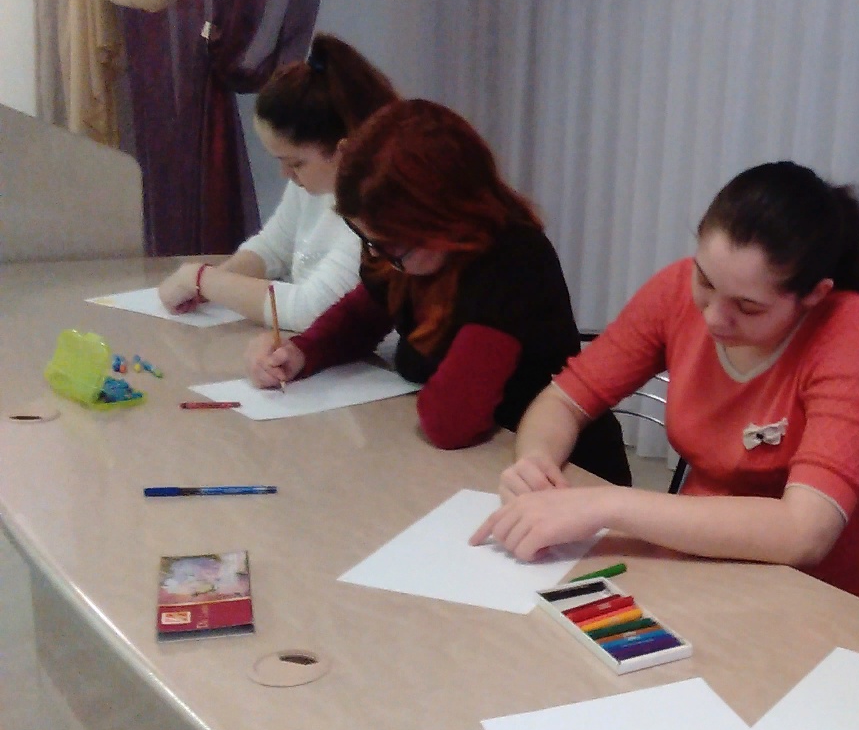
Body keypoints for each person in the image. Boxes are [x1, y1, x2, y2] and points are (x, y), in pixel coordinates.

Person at [473, 161, 859, 616]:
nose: (714, 317)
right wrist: (535, 463)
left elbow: (804, 532)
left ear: (813, 296)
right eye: (705, 281)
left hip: (846, 602)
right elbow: (564, 400)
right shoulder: (678, 291)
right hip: (713, 576)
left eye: (748, 307)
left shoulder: (857, 330)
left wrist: (606, 504)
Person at [244, 99, 631, 483]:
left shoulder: (512, 261)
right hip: (482, 462)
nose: (379, 257)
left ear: (444, 221)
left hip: (562, 470)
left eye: (391, 246)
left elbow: (451, 421)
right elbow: (362, 314)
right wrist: (299, 353)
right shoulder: (414, 255)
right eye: (368, 241)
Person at [158, 34, 397, 331]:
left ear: (344, 150)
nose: (286, 174)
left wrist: (202, 280)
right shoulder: (314, 183)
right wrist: (213, 284)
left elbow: (313, 310)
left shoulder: (379, 205)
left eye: (295, 163)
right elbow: (272, 248)